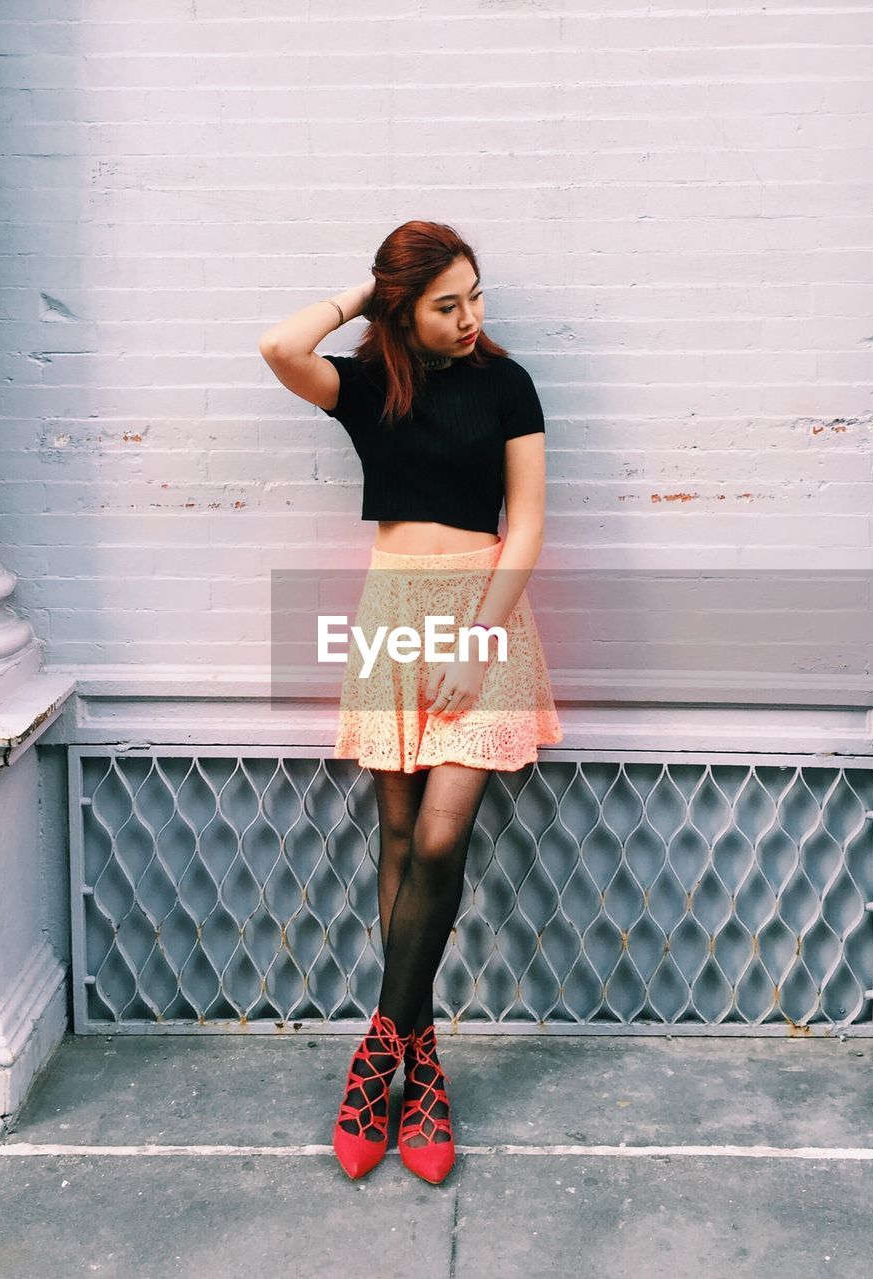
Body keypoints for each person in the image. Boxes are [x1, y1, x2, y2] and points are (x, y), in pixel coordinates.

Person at [258, 220, 562, 1185]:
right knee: (394, 841)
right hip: (394, 616)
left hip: (484, 618)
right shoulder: (365, 388)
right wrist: (368, 294)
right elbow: (279, 348)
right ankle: (421, 1065)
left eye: (476, 296)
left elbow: (529, 525)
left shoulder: (507, 385)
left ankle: (375, 1048)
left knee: (438, 840)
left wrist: (477, 641)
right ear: (405, 310)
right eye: (446, 304)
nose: (470, 317)